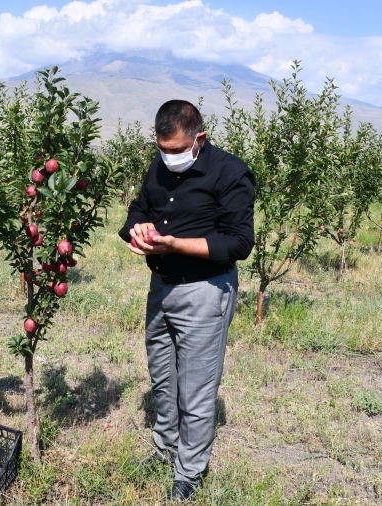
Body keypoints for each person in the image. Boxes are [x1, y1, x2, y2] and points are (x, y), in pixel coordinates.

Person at [119, 100, 255, 502]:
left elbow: (239, 242)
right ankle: (164, 449)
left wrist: (176, 244)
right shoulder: (158, 165)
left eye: (178, 149)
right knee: (163, 377)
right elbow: (138, 210)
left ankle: (189, 472)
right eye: (163, 149)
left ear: (200, 138)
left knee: (196, 389)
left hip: (205, 290)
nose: (169, 157)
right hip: (160, 287)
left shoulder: (230, 172)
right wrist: (135, 231)